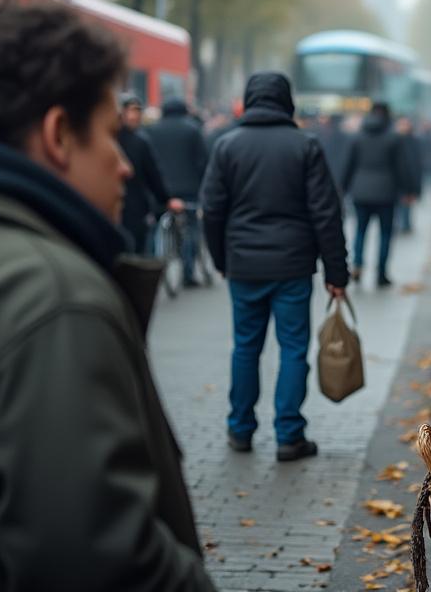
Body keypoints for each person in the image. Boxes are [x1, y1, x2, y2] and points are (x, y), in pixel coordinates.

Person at [0, 0, 212, 589]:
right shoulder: (49, 296)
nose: (124, 165)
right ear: (58, 135)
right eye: (110, 135)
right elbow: (100, 562)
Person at [201, 71, 348, 462]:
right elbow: (326, 214)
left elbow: (212, 210)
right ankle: (289, 435)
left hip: (243, 265)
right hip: (292, 267)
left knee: (245, 347)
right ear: (287, 101)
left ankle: (240, 428)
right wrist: (336, 272)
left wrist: (221, 260)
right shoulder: (305, 145)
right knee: (293, 349)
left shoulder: (227, 145)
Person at [343, 102, 414, 286]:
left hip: (360, 191)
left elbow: (348, 165)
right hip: (386, 192)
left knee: (360, 230)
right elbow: (402, 167)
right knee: (385, 233)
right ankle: (381, 273)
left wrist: (342, 188)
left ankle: (358, 264)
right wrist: (408, 190)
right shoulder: (394, 138)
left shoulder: (357, 137)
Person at [144, 97, 209, 284]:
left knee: (155, 227)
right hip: (188, 189)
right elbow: (203, 162)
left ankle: (153, 267)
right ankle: (188, 272)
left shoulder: (151, 131)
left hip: (160, 190)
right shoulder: (193, 130)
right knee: (190, 229)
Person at [117, 93, 178, 253]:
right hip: (134, 210)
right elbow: (154, 176)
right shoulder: (139, 141)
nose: (135, 116)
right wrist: (166, 199)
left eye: (138, 111)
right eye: (132, 110)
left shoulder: (115, 139)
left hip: (125, 209)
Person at [394, 115, 423, 234]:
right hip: (395, 181)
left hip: (408, 180)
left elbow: (416, 164)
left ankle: (405, 225)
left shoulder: (413, 141)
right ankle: (399, 224)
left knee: (406, 206)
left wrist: (416, 188)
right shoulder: (393, 140)